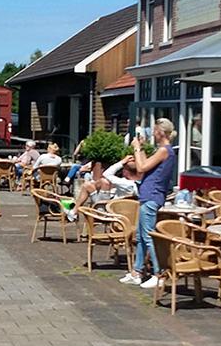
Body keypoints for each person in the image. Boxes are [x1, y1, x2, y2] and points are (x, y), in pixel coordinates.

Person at [120, 117, 177, 290]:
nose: (152, 133)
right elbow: (145, 165)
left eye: (154, 130)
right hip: (148, 195)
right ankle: (137, 272)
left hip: (152, 195)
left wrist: (137, 148)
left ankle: (159, 274)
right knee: (141, 236)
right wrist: (142, 148)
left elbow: (140, 168)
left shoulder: (164, 151)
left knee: (148, 236)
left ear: (160, 132)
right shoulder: (162, 151)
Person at [67, 155, 140, 221]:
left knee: (92, 184)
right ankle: (74, 211)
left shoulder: (125, 183)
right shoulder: (136, 184)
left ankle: (74, 211)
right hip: (121, 210)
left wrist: (122, 162)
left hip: (109, 211)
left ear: (125, 171)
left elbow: (106, 174)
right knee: (94, 184)